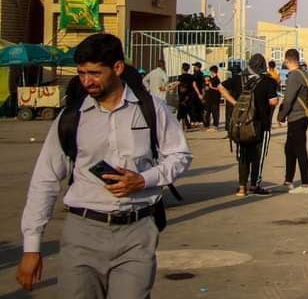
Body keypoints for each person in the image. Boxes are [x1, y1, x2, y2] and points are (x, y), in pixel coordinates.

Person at [16, 33, 192, 296]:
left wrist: (143, 180)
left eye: (95, 73)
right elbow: (45, 178)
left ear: (117, 68)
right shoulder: (71, 117)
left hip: (137, 233)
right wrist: (32, 246)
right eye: (81, 73)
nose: (87, 81)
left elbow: (180, 156)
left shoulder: (151, 109)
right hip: (82, 232)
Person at [220, 54, 278, 196]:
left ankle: (242, 187)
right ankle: (255, 185)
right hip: (261, 124)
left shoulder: (238, 78)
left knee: (243, 155)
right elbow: (273, 101)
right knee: (258, 156)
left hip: (242, 124)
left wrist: (235, 103)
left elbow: (220, 87)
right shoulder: (268, 81)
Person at [277, 49, 308, 194]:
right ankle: (288, 181)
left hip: (297, 116)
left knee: (299, 150)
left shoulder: (294, 76)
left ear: (287, 60)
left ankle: (306, 184)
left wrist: (281, 116)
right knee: (289, 149)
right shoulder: (304, 73)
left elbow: (288, 99)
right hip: (302, 115)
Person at [203, 65, 222, 131]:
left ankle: (215, 125)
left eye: (210, 71)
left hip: (215, 99)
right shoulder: (211, 79)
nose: (210, 73)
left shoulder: (217, 79)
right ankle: (206, 125)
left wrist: (212, 87)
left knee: (215, 113)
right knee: (207, 112)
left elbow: (220, 89)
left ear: (213, 71)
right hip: (209, 98)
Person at [191, 62, 206, 128]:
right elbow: (203, 86)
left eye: (194, 66)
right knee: (200, 107)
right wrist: (203, 94)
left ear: (197, 67)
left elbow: (194, 85)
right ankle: (200, 121)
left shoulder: (195, 75)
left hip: (195, 93)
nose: (194, 67)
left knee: (194, 107)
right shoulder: (202, 74)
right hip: (200, 93)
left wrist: (199, 94)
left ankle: (195, 121)